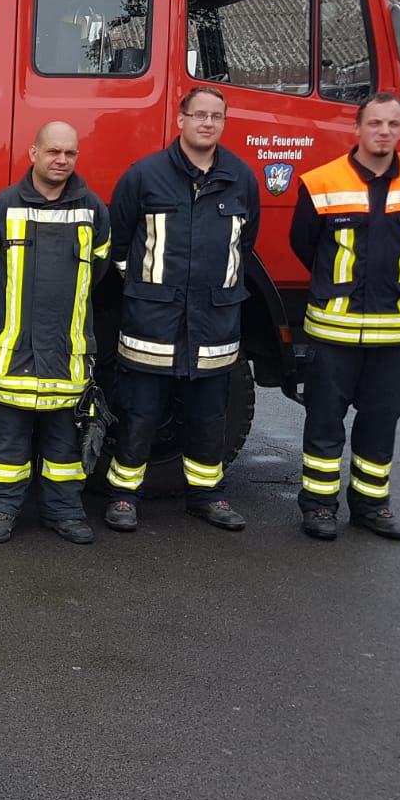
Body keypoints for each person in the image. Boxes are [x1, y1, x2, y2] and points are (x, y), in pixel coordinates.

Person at [291, 92, 400, 540]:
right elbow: (304, 243)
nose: (383, 132)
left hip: (396, 332)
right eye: (375, 123)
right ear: (356, 129)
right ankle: (319, 507)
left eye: (392, 125)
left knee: (380, 424)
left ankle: (371, 507)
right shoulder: (321, 182)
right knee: (324, 423)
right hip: (333, 331)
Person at [103, 85, 260, 532]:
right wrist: (144, 287)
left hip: (213, 323)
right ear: (180, 120)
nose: (207, 123)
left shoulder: (241, 178)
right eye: (199, 115)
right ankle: (122, 497)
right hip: (152, 321)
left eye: (216, 116)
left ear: (223, 123)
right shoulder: (145, 175)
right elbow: (117, 243)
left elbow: (244, 245)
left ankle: (207, 496)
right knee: (139, 413)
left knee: (210, 415)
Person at [0, 122, 110, 545]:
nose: (61, 160)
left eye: (69, 153)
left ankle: (63, 512)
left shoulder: (92, 210)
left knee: (64, 443)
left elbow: (97, 272)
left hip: (67, 351)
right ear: (33, 153)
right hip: (13, 351)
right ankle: (1, 510)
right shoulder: (2, 206)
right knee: (7, 440)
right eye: (52, 152)